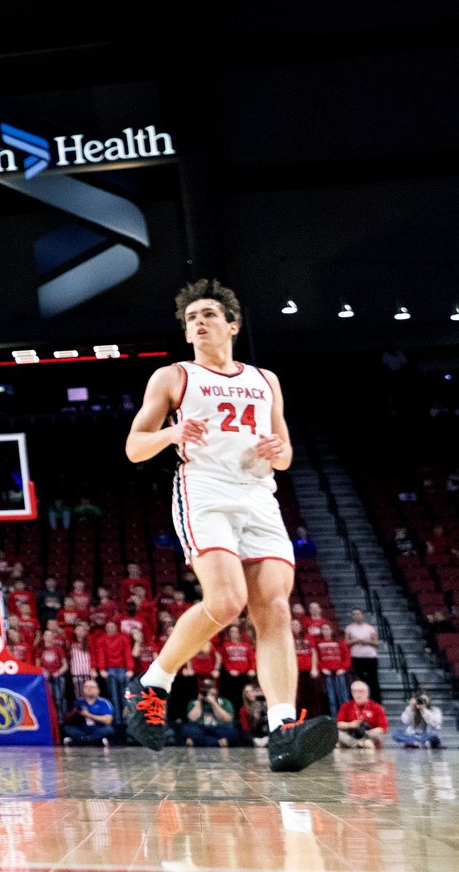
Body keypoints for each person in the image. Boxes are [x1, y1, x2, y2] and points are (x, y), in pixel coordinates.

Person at [119, 280, 333, 773]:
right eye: (191, 316)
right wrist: (174, 431)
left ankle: (282, 729)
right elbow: (134, 447)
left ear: (231, 326)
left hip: (258, 496)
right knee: (226, 601)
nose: (197, 322)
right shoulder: (173, 376)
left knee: (275, 608)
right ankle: (153, 683)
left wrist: (281, 452)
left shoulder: (266, 379)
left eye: (208, 314)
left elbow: (284, 451)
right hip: (205, 490)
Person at [334, 680, 388, 749]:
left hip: (368, 733)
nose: (358, 694)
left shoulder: (377, 707)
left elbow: (383, 728)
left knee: (377, 735)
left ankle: (357, 743)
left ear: (367, 693)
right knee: (337, 733)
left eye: (360, 691)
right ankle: (359, 743)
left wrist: (366, 733)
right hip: (350, 733)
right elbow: (339, 724)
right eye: (355, 691)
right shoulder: (346, 706)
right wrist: (350, 725)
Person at [63, 676, 115, 746]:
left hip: (97, 728)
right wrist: (74, 713)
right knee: (67, 728)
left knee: (108, 729)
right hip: (82, 728)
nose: (89, 689)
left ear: (97, 690)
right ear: (83, 689)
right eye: (86, 687)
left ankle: (83, 740)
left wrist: (88, 715)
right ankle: (92, 740)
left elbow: (108, 720)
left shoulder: (104, 702)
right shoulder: (78, 701)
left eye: (92, 687)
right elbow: (67, 719)